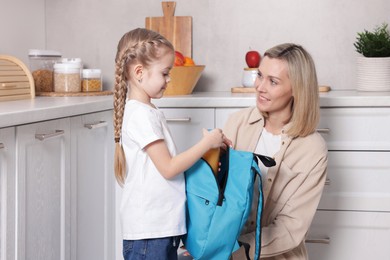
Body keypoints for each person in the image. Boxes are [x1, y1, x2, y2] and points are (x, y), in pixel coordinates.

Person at [113, 28, 226, 260]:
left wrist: (211, 146)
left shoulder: (148, 111)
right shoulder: (141, 116)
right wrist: (205, 144)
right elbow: (169, 167)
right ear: (139, 72)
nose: (169, 79)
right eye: (164, 73)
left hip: (158, 229)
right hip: (150, 233)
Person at [224, 43, 328, 259]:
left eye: (273, 81)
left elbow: (291, 228)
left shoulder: (312, 149)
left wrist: (236, 251)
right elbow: (215, 193)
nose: (260, 86)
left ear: (296, 90)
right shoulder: (236, 124)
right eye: (260, 75)